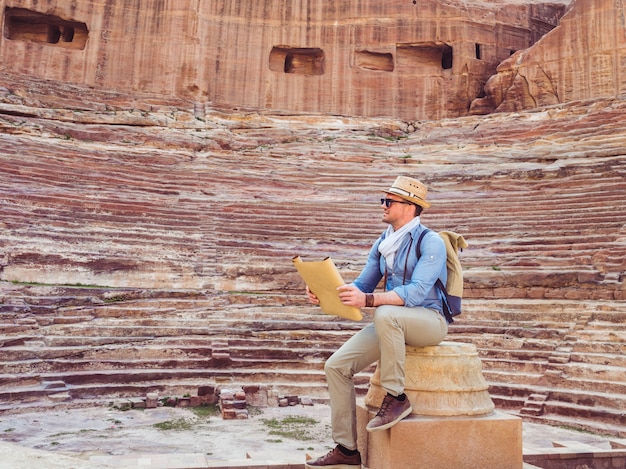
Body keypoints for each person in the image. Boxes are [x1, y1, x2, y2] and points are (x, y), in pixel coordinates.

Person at [305, 176, 450, 469]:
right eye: (383, 200)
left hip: (430, 321)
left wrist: (369, 301)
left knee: (384, 312)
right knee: (336, 366)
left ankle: (396, 397)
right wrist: (325, 292)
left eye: (389, 201)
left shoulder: (430, 241)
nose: (383, 206)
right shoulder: (384, 241)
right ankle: (346, 449)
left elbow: (417, 292)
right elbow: (363, 284)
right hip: (392, 321)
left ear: (409, 207)